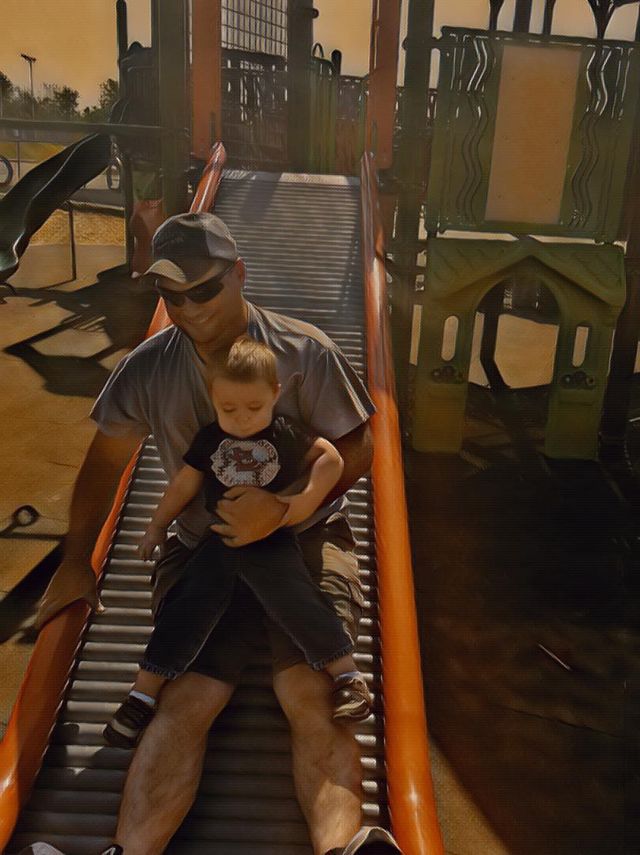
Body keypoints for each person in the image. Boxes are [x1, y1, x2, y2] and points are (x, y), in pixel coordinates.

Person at [35, 211, 403, 855]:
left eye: (203, 289)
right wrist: (75, 560)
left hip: (302, 538)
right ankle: (128, 850)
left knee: (310, 690)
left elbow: (355, 446)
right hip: (205, 545)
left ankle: (340, 845)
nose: (188, 308)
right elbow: (104, 463)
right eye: (170, 295)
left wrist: (283, 509)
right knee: (187, 695)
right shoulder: (151, 367)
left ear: (239, 274)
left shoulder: (302, 352)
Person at [104, 335, 373, 749]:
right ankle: (142, 695)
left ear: (275, 395)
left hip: (269, 538)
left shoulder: (284, 432)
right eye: (229, 409)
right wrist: (157, 525)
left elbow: (331, 457)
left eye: (254, 407)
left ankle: (348, 678)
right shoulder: (210, 439)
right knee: (188, 604)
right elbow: (184, 484)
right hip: (222, 538)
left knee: (298, 598)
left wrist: (300, 501)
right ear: (213, 399)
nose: (243, 419)